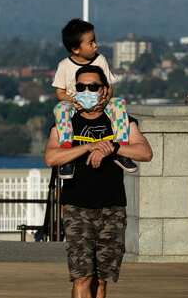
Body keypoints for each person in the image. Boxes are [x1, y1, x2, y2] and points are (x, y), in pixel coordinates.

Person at [43, 64, 152, 298]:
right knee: (82, 275)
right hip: (77, 207)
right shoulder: (65, 122)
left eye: (93, 86)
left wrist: (112, 148)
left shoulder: (121, 121)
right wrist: (88, 148)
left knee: (101, 279)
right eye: (81, 87)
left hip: (112, 207)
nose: (87, 92)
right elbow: (51, 157)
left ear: (104, 90)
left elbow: (145, 152)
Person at [52, 18, 137, 178]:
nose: (95, 45)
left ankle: (122, 149)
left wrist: (105, 100)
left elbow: (109, 86)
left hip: (100, 105)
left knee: (119, 104)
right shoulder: (64, 65)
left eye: (95, 41)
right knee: (60, 109)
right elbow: (60, 92)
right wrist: (73, 102)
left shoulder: (100, 60)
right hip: (76, 106)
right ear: (76, 49)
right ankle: (67, 154)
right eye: (90, 43)